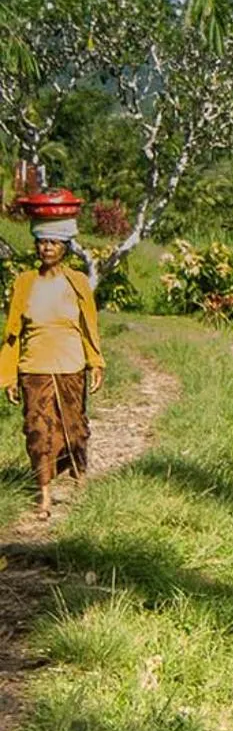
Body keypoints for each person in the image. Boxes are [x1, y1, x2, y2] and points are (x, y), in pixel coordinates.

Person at [0, 213, 103, 518]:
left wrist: (95, 362)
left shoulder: (77, 282)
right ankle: (43, 495)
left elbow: (88, 326)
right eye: (42, 242)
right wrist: (8, 375)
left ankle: (80, 479)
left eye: (53, 243)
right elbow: (12, 333)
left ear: (65, 247)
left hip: (71, 367)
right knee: (37, 431)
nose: (46, 248)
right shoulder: (24, 283)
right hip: (34, 368)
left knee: (75, 429)